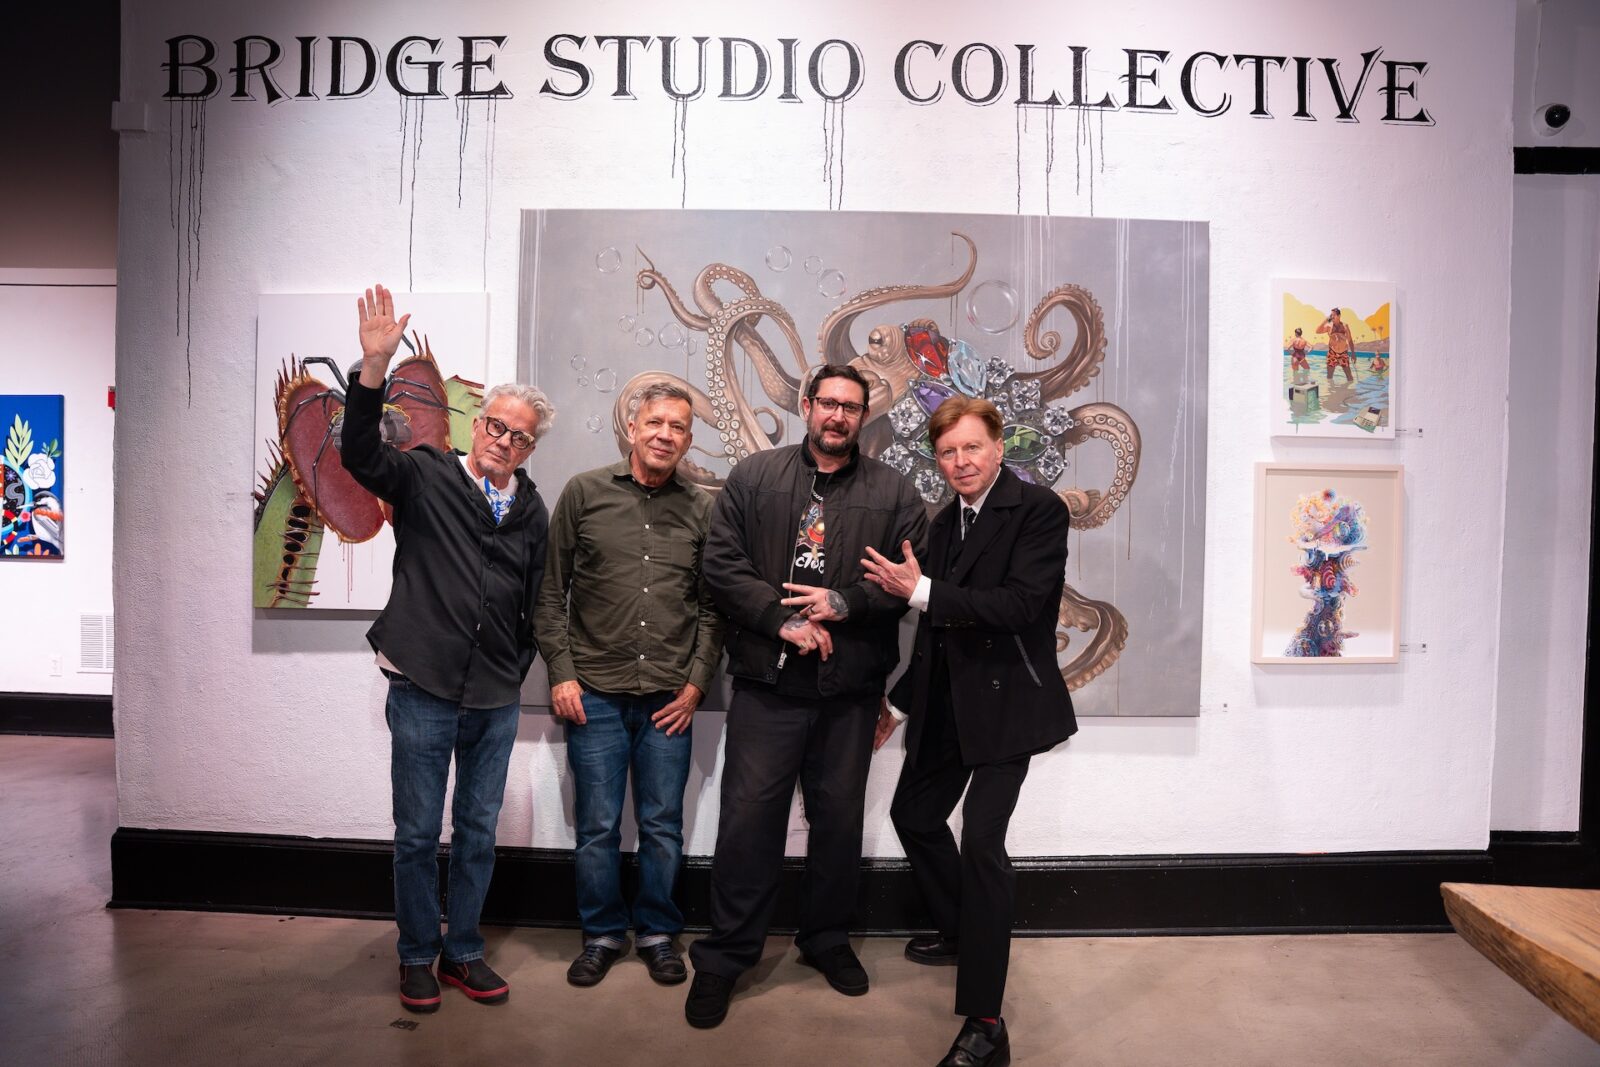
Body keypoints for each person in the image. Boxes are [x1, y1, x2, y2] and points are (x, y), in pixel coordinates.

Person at [683, 365, 928, 1029]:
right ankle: (726, 956)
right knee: (747, 823)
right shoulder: (754, 477)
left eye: (851, 407)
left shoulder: (895, 491)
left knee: (839, 822)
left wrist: (846, 602)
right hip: (768, 683)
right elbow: (721, 565)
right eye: (828, 403)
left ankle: (826, 939)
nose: (838, 416)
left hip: (850, 689)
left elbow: (911, 580)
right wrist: (779, 619)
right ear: (807, 404)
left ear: (864, 416)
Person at [341, 283, 553, 1014]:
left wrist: (517, 665)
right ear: (477, 424)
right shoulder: (427, 473)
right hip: (422, 688)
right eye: (495, 424)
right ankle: (415, 956)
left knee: (478, 833)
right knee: (415, 834)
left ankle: (463, 950)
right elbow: (359, 452)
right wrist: (374, 367)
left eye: (518, 435)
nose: (502, 440)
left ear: (530, 447)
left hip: (493, 696)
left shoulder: (531, 508)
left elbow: (538, 597)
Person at [863, 395, 1076, 1067]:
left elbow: (1020, 606)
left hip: (1010, 709)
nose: (960, 461)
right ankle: (961, 929)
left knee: (983, 844)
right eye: (947, 452)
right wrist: (898, 704)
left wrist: (921, 590)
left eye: (971, 447)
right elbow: (934, 632)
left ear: (999, 446)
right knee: (914, 813)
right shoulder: (944, 521)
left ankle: (986, 1024)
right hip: (950, 704)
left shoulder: (1039, 510)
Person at [535, 383, 725, 989]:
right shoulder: (584, 493)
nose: (665, 434)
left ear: (688, 440)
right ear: (633, 428)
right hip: (593, 691)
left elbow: (713, 608)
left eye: (678, 426)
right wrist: (561, 673)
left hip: (670, 697)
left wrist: (696, 686)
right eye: (655, 422)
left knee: (663, 825)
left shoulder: (702, 510)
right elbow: (549, 594)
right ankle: (601, 935)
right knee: (596, 826)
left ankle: (658, 935)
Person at [1316, 306, 1356, 383]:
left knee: (1349, 377)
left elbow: (1350, 340)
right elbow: (1317, 331)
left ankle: (1350, 390)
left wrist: (1353, 353)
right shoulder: (1329, 326)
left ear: (1339, 315)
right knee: (1329, 376)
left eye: (1334, 315)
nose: (1332, 317)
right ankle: (1331, 390)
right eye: (1331, 315)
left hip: (1343, 353)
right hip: (1332, 353)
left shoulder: (1345, 326)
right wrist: (1325, 320)